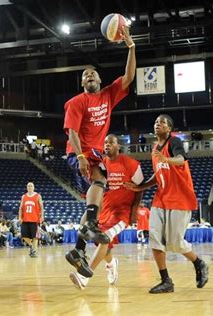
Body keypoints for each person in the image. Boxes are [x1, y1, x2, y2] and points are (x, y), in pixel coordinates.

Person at [63, 27, 136, 278]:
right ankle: (88, 233)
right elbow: (71, 131)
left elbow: (128, 76)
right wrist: (81, 156)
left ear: (100, 81)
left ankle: (78, 249)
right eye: (85, 75)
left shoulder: (108, 95)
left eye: (93, 73)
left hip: (94, 154)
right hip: (80, 154)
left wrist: (131, 48)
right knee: (100, 180)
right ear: (82, 83)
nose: (90, 75)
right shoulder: (76, 102)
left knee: (95, 200)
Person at [125, 114, 209, 293]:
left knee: (175, 243)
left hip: (180, 198)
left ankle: (198, 262)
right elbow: (158, 174)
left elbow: (181, 159)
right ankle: (166, 281)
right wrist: (140, 187)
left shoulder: (174, 142)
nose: (158, 124)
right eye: (156, 122)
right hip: (161, 199)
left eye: (162, 122)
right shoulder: (155, 148)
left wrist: (166, 159)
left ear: (169, 128)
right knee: (154, 239)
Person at [69, 134, 143, 289]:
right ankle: (111, 263)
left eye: (111, 142)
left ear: (118, 146)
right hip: (105, 209)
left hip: (122, 212)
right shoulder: (100, 165)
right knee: (102, 244)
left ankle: (84, 277)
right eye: (105, 142)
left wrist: (135, 210)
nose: (107, 145)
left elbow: (140, 187)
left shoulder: (130, 164)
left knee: (105, 238)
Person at [18, 182, 44, 258]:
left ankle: (34, 252)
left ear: (33, 187)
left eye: (31, 186)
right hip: (25, 219)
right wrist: (20, 217)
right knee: (24, 236)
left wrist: (42, 216)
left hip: (35, 219)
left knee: (35, 237)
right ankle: (32, 246)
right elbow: (20, 208)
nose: (29, 187)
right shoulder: (24, 196)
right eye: (28, 186)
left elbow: (42, 207)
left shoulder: (38, 196)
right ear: (26, 187)